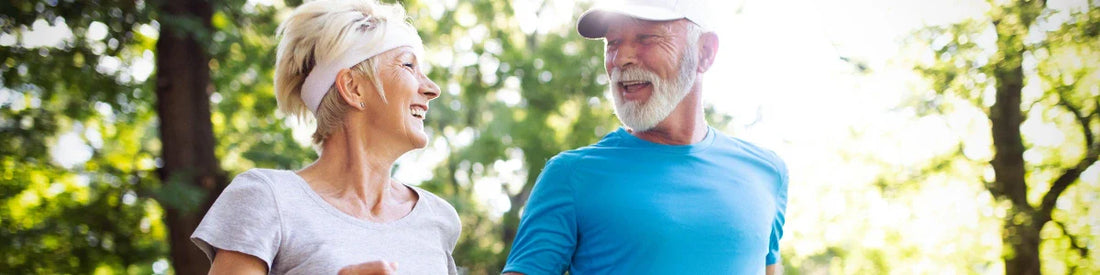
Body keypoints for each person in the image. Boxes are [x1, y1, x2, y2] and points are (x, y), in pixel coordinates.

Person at [502, 0, 788, 274]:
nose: (621, 59)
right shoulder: (570, 175)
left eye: (646, 38)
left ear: (704, 53)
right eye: (613, 42)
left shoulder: (768, 172)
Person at [190, 0, 460, 274]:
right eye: (408, 65)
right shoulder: (267, 198)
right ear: (353, 87)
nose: (432, 89)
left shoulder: (438, 218)